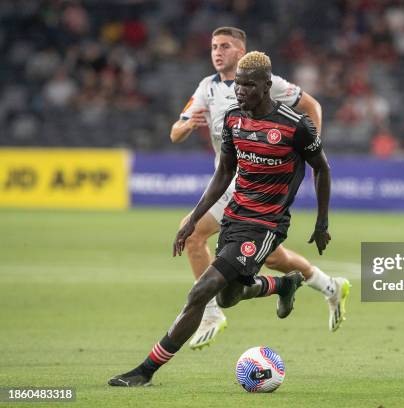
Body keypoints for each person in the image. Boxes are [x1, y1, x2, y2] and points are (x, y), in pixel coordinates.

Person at [109, 51, 332, 387]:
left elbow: (322, 169)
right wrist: (193, 219)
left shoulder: (295, 125)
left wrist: (322, 222)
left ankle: (145, 370)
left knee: (202, 291)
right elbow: (225, 172)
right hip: (235, 217)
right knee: (230, 296)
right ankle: (282, 284)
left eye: (248, 86)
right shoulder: (233, 119)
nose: (240, 91)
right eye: (238, 85)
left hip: (266, 225)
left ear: (267, 85)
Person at [170, 27, 349, 348]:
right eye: (213, 46)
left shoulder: (270, 83)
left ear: (241, 52)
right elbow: (175, 132)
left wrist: (310, 146)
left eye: (225, 46)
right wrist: (186, 125)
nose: (217, 52)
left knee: (193, 231)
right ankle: (328, 286)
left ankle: (210, 312)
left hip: (256, 185)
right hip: (228, 182)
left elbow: (313, 107)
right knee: (274, 258)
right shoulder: (206, 88)